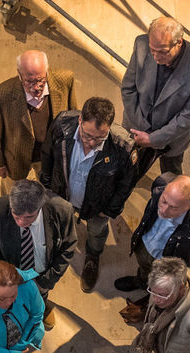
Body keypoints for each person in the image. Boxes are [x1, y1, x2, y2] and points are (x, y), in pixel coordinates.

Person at [39, 96, 135, 292]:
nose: (91, 142)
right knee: (60, 222)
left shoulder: (123, 146)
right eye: (86, 135)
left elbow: (126, 183)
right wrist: (47, 184)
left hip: (97, 206)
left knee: (97, 231)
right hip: (62, 194)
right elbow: (47, 153)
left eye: (99, 138)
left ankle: (93, 256)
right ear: (80, 119)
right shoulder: (62, 124)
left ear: (108, 128)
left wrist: (109, 210)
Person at [120, 16, 190, 181]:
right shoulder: (141, 44)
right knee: (125, 167)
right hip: (135, 127)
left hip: (171, 140)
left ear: (179, 42)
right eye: (153, 50)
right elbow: (128, 89)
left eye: (163, 51)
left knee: (170, 178)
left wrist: (153, 138)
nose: (156, 57)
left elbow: (186, 118)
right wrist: (142, 129)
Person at [0, 179, 76, 330]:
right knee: (11, 301)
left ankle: (39, 307)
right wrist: (6, 280)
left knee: (39, 296)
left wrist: (46, 281)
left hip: (42, 273)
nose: (20, 222)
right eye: (16, 215)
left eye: (29, 217)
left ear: (41, 206)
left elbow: (68, 247)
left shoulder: (62, 210)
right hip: (10, 275)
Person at [114, 173, 190, 293]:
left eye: (174, 207)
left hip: (167, 261)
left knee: (164, 286)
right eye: (164, 201)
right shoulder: (161, 184)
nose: (164, 211)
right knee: (144, 267)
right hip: (145, 244)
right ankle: (142, 282)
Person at [0, 49, 76, 185]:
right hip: (16, 158)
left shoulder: (64, 80)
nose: (36, 87)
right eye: (29, 82)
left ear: (47, 71)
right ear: (19, 74)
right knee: (14, 199)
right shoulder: (1, 95)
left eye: (41, 80)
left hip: (51, 155)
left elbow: (73, 115)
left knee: (51, 197)